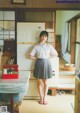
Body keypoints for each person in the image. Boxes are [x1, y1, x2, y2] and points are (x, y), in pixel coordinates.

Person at [29, 31, 58, 105]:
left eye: (45, 36)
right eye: (42, 36)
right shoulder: (36, 46)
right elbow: (30, 56)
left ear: (47, 38)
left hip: (47, 64)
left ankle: (45, 98)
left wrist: (48, 58)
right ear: (40, 37)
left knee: (46, 82)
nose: (43, 37)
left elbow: (55, 54)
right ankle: (41, 98)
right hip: (39, 63)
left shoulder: (49, 46)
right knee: (39, 82)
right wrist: (37, 59)